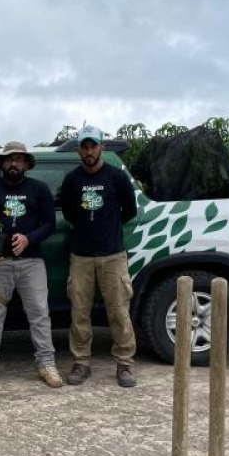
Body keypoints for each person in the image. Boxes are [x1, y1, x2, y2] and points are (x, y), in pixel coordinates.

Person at [0, 141, 63, 389]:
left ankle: (46, 363)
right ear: (1, 163)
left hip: (32, 261)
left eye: (19, 159)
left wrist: (28, 238)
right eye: (9, 159)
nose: (14, 164)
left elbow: (49, 224)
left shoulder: (39, 189)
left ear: (26, 164)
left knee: (39, 314)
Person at [59, 125, 139, 387]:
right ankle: (81, 362)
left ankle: (125, 364)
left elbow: (129, 211)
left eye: (94, 145)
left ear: (102, 147)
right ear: (78, 150)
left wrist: (107, 229)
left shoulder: (116, 177)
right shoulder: (72, 180)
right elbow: (69, 213)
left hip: (113, 255)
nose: (89, 151)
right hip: (81, 256)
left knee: (118, 311)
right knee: (79, 313)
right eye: (84, 146)